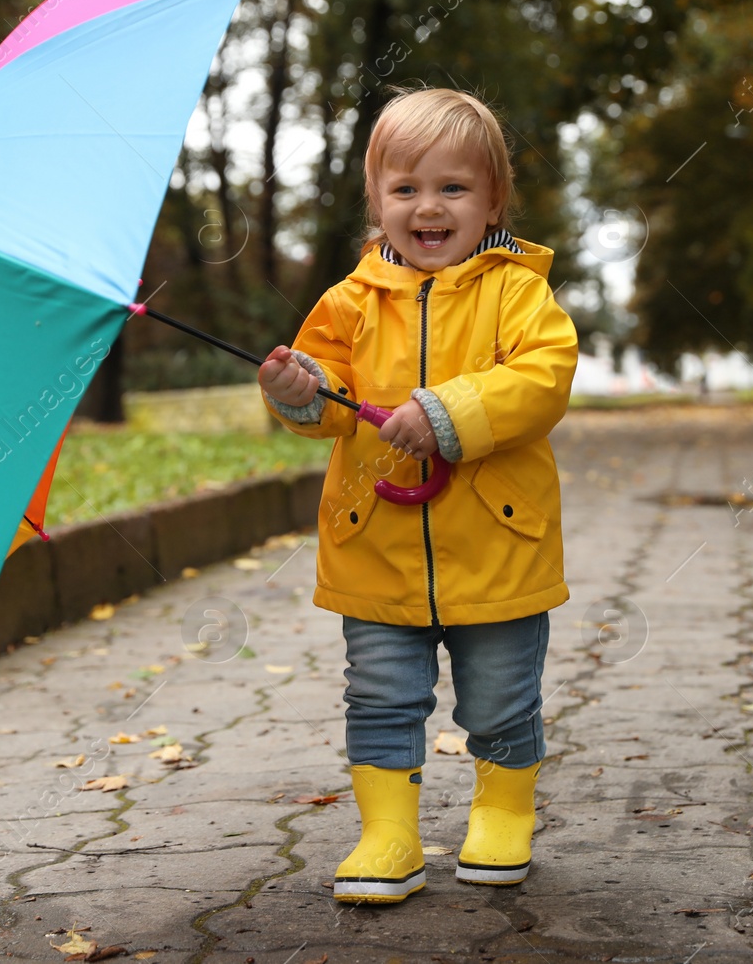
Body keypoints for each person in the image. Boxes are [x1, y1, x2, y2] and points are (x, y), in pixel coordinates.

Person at [256, 86, 578, 904]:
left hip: (497, 545)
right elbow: (327, 405)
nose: (427, 208)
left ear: (493, 198)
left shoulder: (518, 292)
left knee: (501, 697)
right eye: (405, 189)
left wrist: (444, 412)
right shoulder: (348, 304)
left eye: (453, 188)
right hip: (376, 546)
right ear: (377, 199)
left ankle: (503, 811)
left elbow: (541, 379)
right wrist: (299, 389)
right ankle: (388, 833)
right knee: (380, 695)